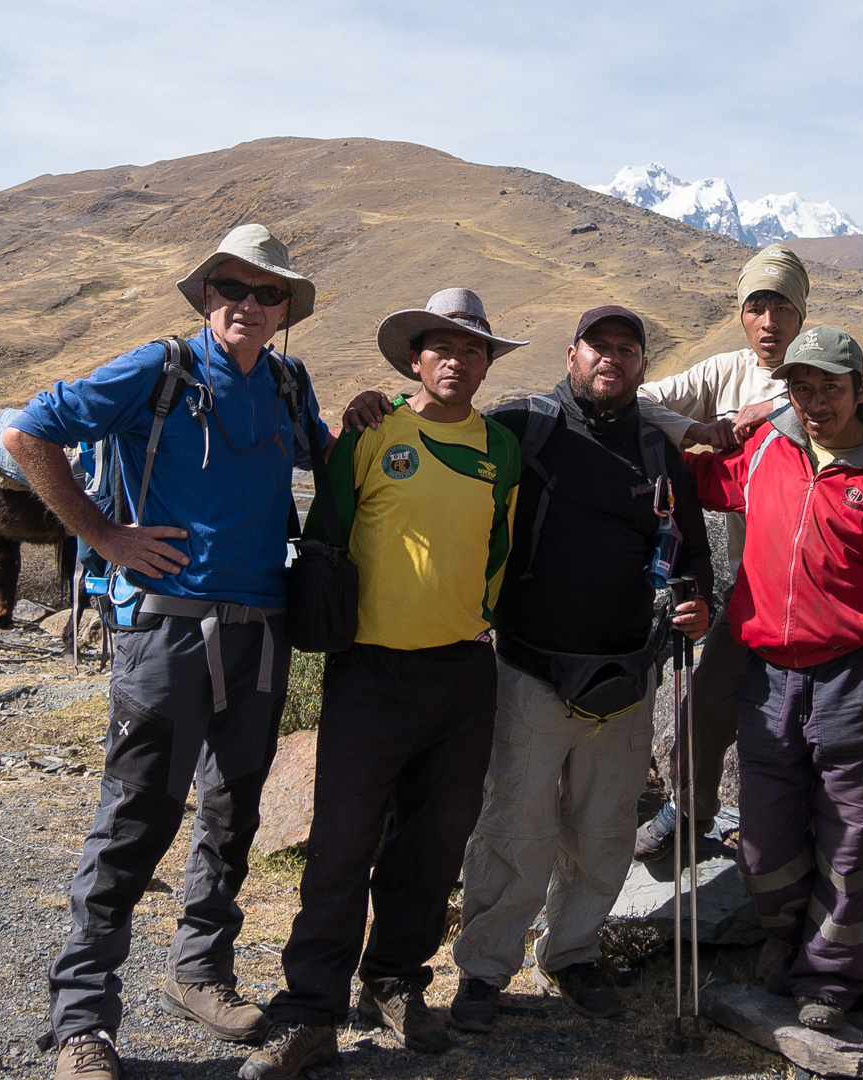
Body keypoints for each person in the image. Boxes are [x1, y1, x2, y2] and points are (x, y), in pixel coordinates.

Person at [4, 224, 330, 1080]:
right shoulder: (157, 370)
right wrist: (105, 534)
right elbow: (27, 434)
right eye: (233, 288)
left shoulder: (291, 386)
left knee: (233, 816)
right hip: (164, 626)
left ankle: (202, 972)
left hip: (263, 627)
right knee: (134, 820)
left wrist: (373, 413)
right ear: (207, 295)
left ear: (286, 308)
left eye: (267, 294)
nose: (249, 306)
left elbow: (332, 464)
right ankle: (81, 1021)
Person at [241, 290, 524, 1078]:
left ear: (485, 363)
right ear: (413, 359)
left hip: (462, 675)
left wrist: (478, 619)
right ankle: (309, 1011)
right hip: (368, 671)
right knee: (340, 844)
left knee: (433, 846)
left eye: (474, 350)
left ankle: (395, 981)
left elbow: (502, 549)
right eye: (443, 347)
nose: (458, 361)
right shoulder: (370, 434)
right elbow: (325, 541)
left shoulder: (501, 448)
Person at [448, 305, 713, 1031]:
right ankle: (484, 969)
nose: (612, 360)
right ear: (570, 356)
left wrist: (698, 602)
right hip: (528, 666)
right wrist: (384, 412)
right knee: (514, 828)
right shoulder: (523, 425)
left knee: (602, 834)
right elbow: (443, 433)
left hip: (628, 674)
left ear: (642, 366)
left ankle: (570, 954)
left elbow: (689, 551)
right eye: (599, 348)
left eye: (628, 350)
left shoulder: (659, 452)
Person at [685, 327, 863, 1032]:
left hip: (852, 673)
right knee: (763, 831)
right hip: (765, 674)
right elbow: (687, 472)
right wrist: (727, 424)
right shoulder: (763, 450)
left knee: (848, 833)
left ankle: (830, 979)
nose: (814, 402)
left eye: (829, 387)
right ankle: (786, 934)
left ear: (861, 389)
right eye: (800, 388)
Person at [631, 243, 809, 862]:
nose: (769, 321)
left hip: (819, 590)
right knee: (707, 703)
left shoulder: (821, 366)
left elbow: (852, 414)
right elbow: (641, 399)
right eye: (756, 306)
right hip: (751, 584)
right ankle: (690, 809)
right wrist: (698, 431)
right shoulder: (721, 373)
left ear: (801, 314)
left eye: (781, 306)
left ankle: (807, 831)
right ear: (741, 314)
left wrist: (777, 408)